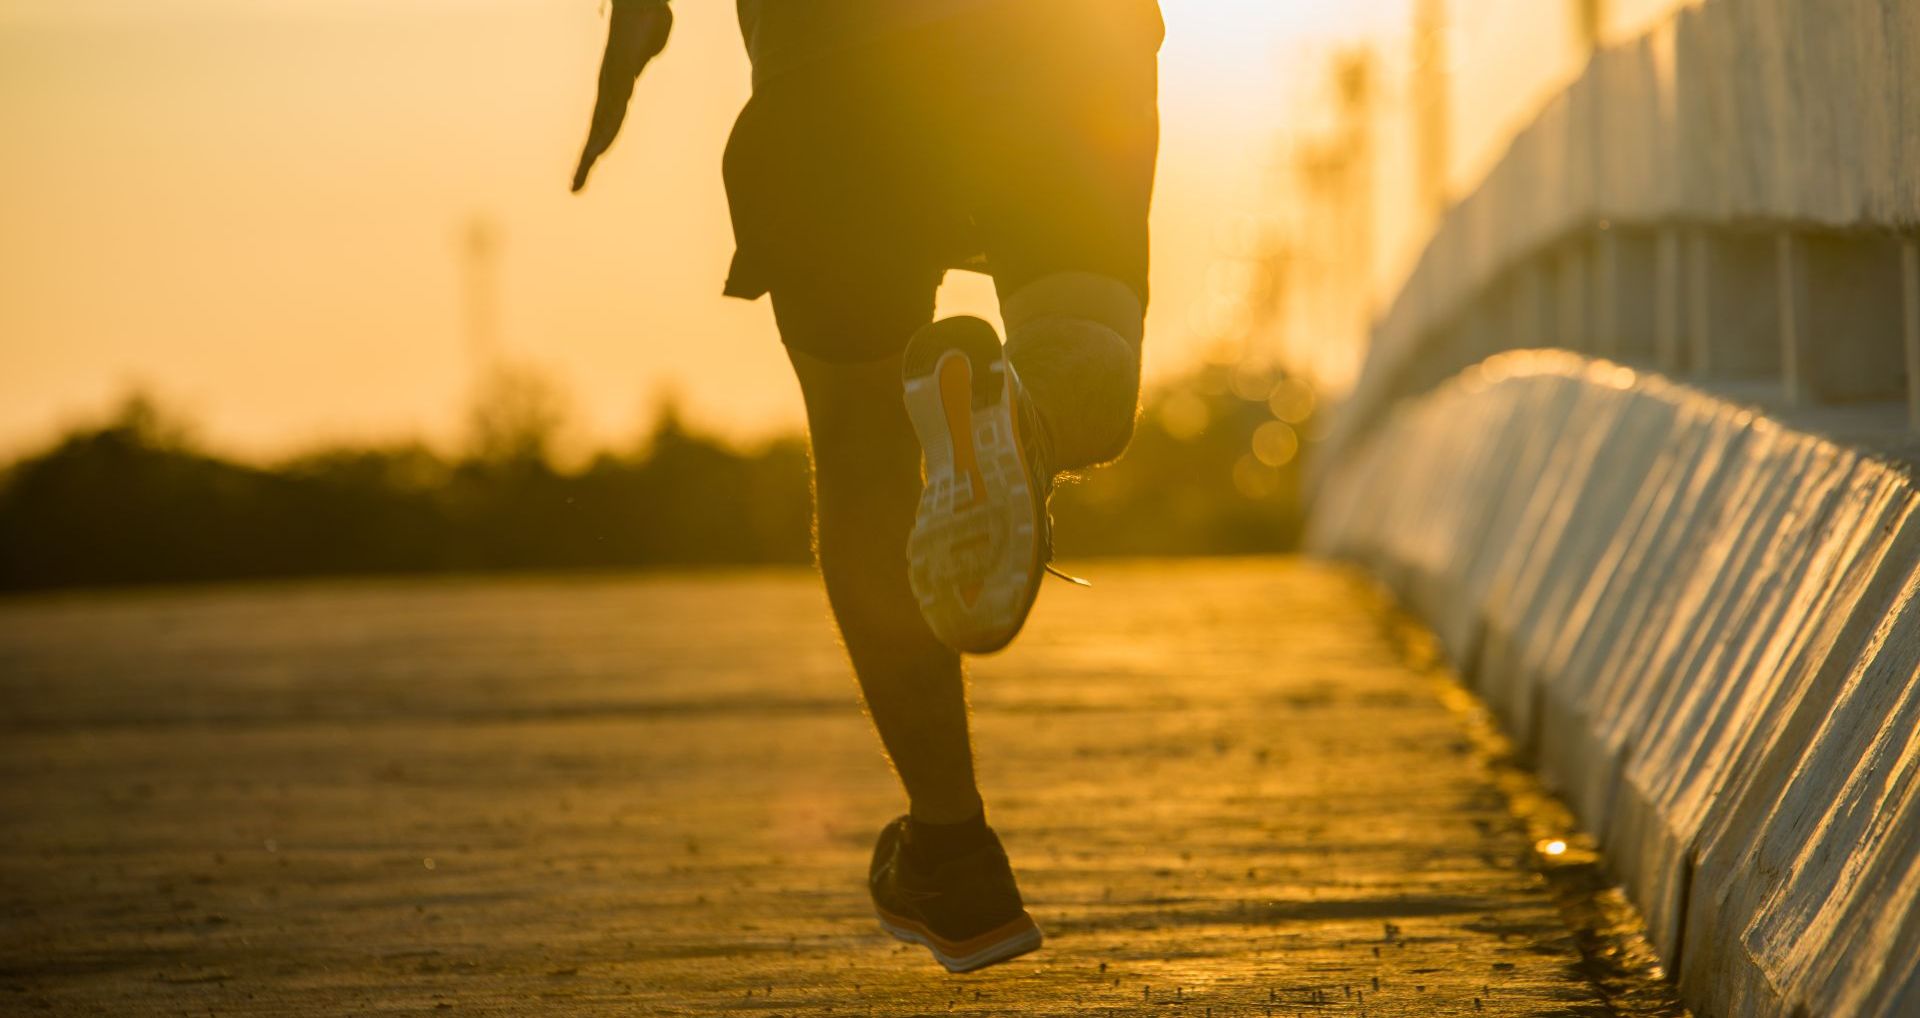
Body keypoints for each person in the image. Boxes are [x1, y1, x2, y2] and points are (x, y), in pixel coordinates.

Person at [573, 0, 1162, 973]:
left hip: (831, 50)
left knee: (861, 443)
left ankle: (954, 855)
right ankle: (1028, 417)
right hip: (1064, 41)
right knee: (1087, 346)